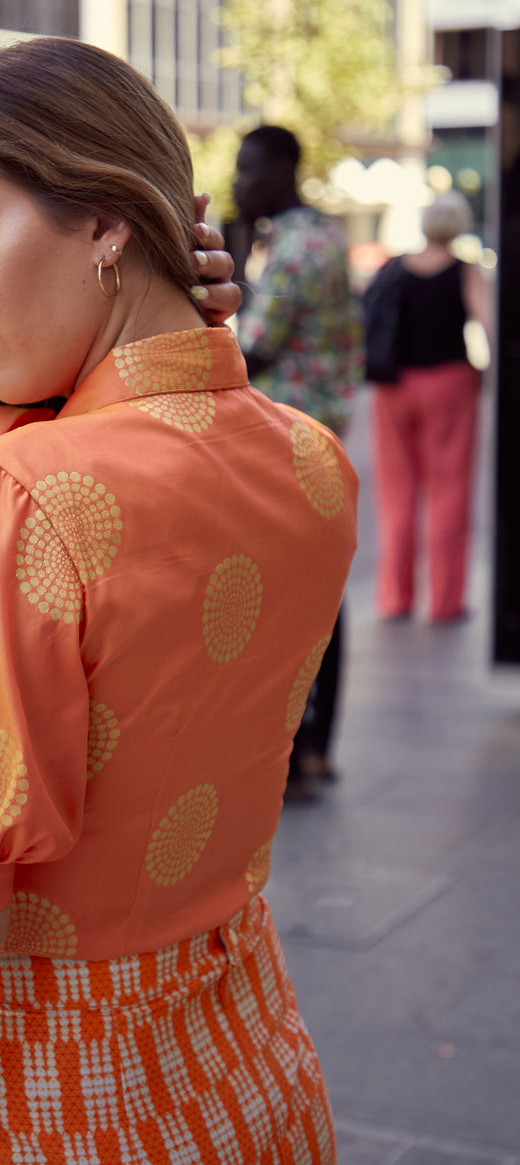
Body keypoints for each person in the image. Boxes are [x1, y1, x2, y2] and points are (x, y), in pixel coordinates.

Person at [0, 39, 357, 1165]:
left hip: (47, 1112)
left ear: (109, 219)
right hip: (252, 1076)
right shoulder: (307, 458)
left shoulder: (18, 500)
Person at [232, 124, 361, 798]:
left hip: (283, 440)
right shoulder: (328, 235)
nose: (237, 181)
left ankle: (289, 746)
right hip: (323, 434)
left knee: (286, 598)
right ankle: (315, 746)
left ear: (283, 169)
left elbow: (248, 349)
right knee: (323, 592)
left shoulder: (290, 250)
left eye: (249, 169)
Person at [365, 190, 491, 623]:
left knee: (396, 493)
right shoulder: (465, 271)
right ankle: (444, 602)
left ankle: (396, 597)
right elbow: (487, 325)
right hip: (449, 384)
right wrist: (492, 375)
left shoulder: (395, 267)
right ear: (458, 225)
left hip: (393, 388)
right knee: (449, 491)